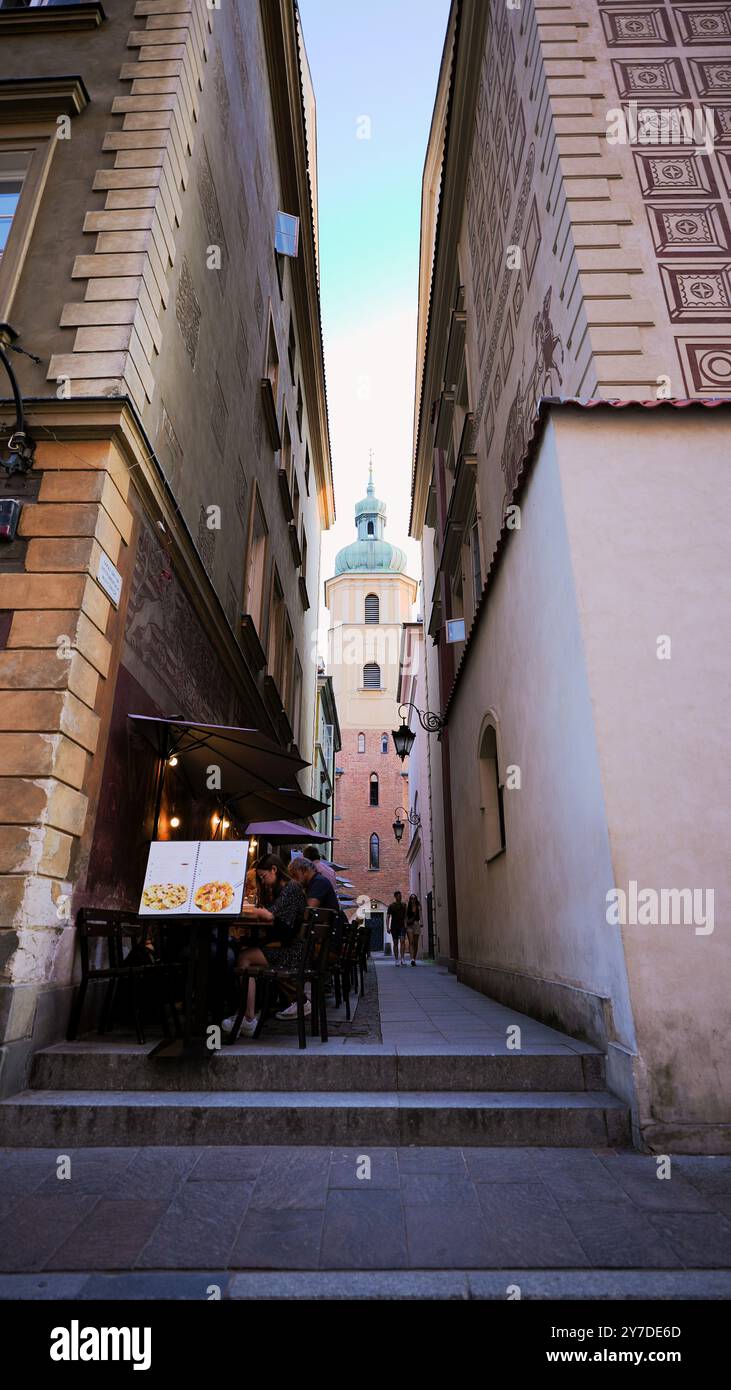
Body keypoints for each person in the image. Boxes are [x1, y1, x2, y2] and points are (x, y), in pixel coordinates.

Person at [222, 854, 306, 1037]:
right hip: (290, 948)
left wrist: (250, 909)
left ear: (274, 870)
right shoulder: (285, 889)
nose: (263, 881)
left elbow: (269, 915)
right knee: (245, 952)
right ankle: (247, 1015)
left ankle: (249, 1017)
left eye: (263, 876)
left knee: (244, 957)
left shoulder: (291, 888)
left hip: (292, 953)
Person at [387, 890, 407, 965]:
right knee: (395, 942)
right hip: (394, 926)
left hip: (402, 926)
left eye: (400, 896)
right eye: (398, 896)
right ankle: (396, 959)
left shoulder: (404, 905)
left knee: (402, 941)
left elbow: (405, 916)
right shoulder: (391, 906)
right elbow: (388, 917)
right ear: (395, 897)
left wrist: (405, 925)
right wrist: (387, 927)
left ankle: (402, 958)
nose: (400, 897)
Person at [406, 893, 422, 966]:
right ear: (410, 899)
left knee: (415, 943)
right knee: (411, 942)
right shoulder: (408, 907)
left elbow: (421, 915)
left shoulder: (418, 906)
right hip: (409, 925)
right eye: (411, 898)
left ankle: (414, 959)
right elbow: (405, 916)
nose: (413, 900)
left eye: (414, 898)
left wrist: (421, 922)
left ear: (416, 899)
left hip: (416, 924)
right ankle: (412, 959)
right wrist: (405, 924)